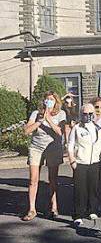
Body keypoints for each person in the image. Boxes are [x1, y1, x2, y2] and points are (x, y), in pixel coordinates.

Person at [21, 91, 67, 221]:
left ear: (56, 102)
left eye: (51, 99)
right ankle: (31, 209)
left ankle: (54, 206)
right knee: (33, 179)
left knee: (52, 179)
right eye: (47, 99)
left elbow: (60, 132)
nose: (49, 102)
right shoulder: (36, 114)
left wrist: (49, 119)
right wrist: (39, 121)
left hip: (53, 147)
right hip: (36, 147)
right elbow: (26, 131)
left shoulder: (61, 114)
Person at [68, 104, 101, 227]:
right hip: (80, 162)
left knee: (93, 187)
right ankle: (78, 215)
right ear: (81, 114)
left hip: (95, 162)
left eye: (90, 113)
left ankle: (92, 210)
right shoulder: (77, 128)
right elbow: (70, 145)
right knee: (80, 189)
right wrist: (72, 160)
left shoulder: (97, 128)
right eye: (85, 114)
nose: (88, 116)